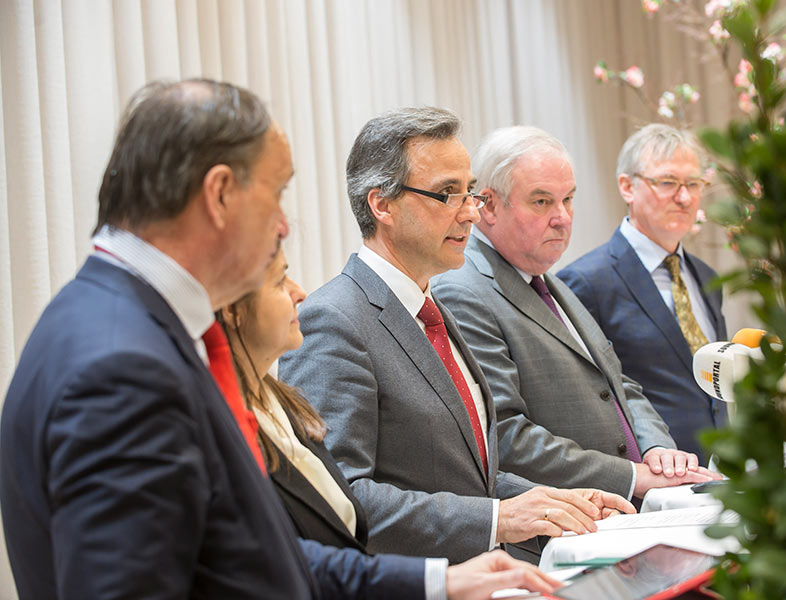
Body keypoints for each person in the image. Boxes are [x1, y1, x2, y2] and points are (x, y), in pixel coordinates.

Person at [0, 79, 562, 600]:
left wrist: (437, 581)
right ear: (219, 194)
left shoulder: (129, 321)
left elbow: (247, 554)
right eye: (277, 193)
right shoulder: (120, 362)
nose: (284, 225)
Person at [280, 107, 635, 566]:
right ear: (381, 205)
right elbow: (338, 499)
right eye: (448, 194)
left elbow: (463, 475)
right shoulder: (334, 319)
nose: (470, 212)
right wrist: (498, 519)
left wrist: (554, 501)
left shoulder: (434, 308)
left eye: (469, 192)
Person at [432, 125, 717, 504]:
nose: (562, 217)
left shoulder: (547, 279)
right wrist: (633, 476)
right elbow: (505, 435)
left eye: (568, 199)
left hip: (631, 509)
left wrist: (656, 450)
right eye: (541, 202)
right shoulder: (463, 290)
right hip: (559, 528)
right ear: (489, 205)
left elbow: (617, 383)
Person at [558, 123, 727, 461]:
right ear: (627, 187)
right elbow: (589, 398)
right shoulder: (584, 282)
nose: (684, 197)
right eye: (668, 182)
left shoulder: (706, 277)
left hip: (719, 474)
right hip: (649, 482)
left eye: (693, 184)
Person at [218, 248, 368, 552]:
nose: (299, 292)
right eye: (279, 282)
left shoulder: (286, 403)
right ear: (232, 308)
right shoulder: (224, 425)